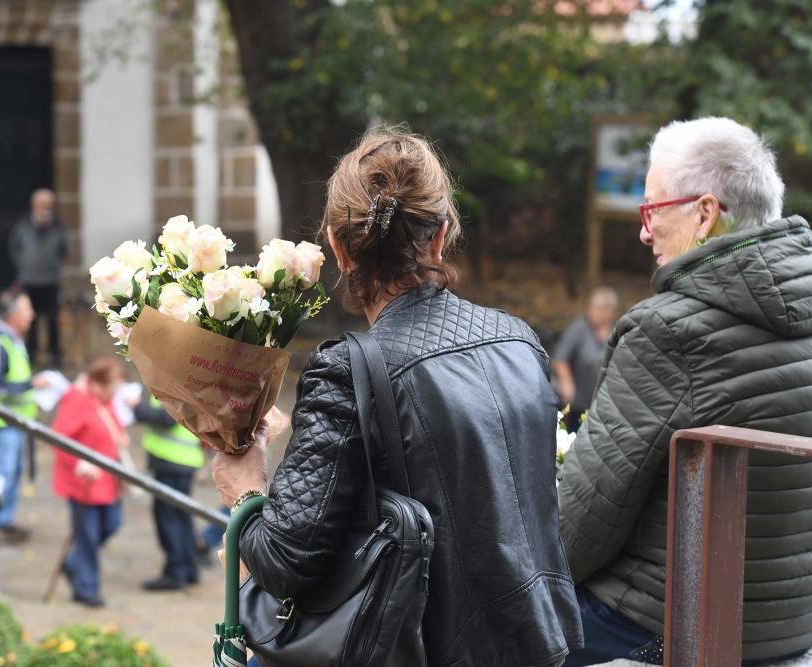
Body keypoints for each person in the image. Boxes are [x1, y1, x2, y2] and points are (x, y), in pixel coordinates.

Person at [212, 127, 583, 666]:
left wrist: (245, 488)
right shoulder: (520, 341)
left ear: (338, 249)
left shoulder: (347, 369)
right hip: (539, 643)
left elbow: (286, 559)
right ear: (439, 237)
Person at [558, 117, 812, 665]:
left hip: (667, 630)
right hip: (797, 624)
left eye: (652, 209)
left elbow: (581, 521)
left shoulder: (668, 332)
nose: (643, 231)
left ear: (704, 214)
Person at [0, 290, 49, 544]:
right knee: (3, 473)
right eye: (27, 310)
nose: (32, 315)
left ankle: (3, 521)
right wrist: (31, 386)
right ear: (14, 314)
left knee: (13, 471)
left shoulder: (12, 338)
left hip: (14, 418)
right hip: (1, 419)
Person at [51, 356, 127, 608]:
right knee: (88, 535)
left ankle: (74, 564)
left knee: (111, 524)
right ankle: (86, 586)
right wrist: (79, 463)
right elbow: (60, 438)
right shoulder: (76, 400)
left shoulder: (105, 401)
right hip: (83, 482)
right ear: (97, 383)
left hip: (107, 481)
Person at [133, 396, 205, 591]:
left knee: (168, 518)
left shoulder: (174, 380)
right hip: (183, 460)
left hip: (172, 460)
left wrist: (136, 407)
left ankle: (175, 572)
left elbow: (166, 418)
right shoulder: (189, 378)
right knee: (182, 516)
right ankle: (189, 569)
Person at [9, 188, 67, 368]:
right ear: (34, 206)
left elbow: (63, 250)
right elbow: (15, 249)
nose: (45, 209)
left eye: (48, 205)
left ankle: (54, 354)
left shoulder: (58, 227)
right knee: (29, 319)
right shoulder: (23, 226)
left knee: (52, 319)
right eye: (41, 205)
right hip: (29, 280)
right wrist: (24, 266)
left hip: (50, 280)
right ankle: (30, 354)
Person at [552, 287, 618, 432]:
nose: (592, 311)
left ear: (609, 311)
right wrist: (567, 382)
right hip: (579, 402)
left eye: (599, 308)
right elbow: (560, 358)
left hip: (606, 403)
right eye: (592, 307)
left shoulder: (616, 331)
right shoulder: (579, 327)